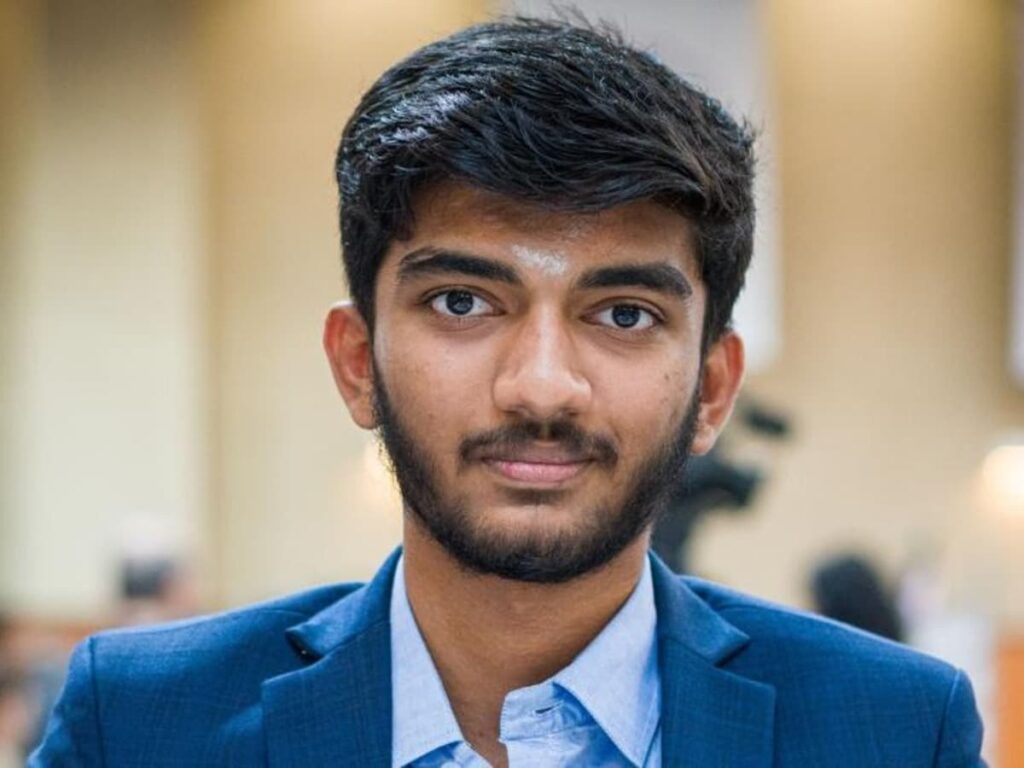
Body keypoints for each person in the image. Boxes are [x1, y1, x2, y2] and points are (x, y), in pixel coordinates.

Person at [31, 17, 984, 767]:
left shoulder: (894, 729)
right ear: (357, 360)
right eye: (462, 300)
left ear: (713, 387)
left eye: (622, 315)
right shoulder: (145, 721)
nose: (540, 386)